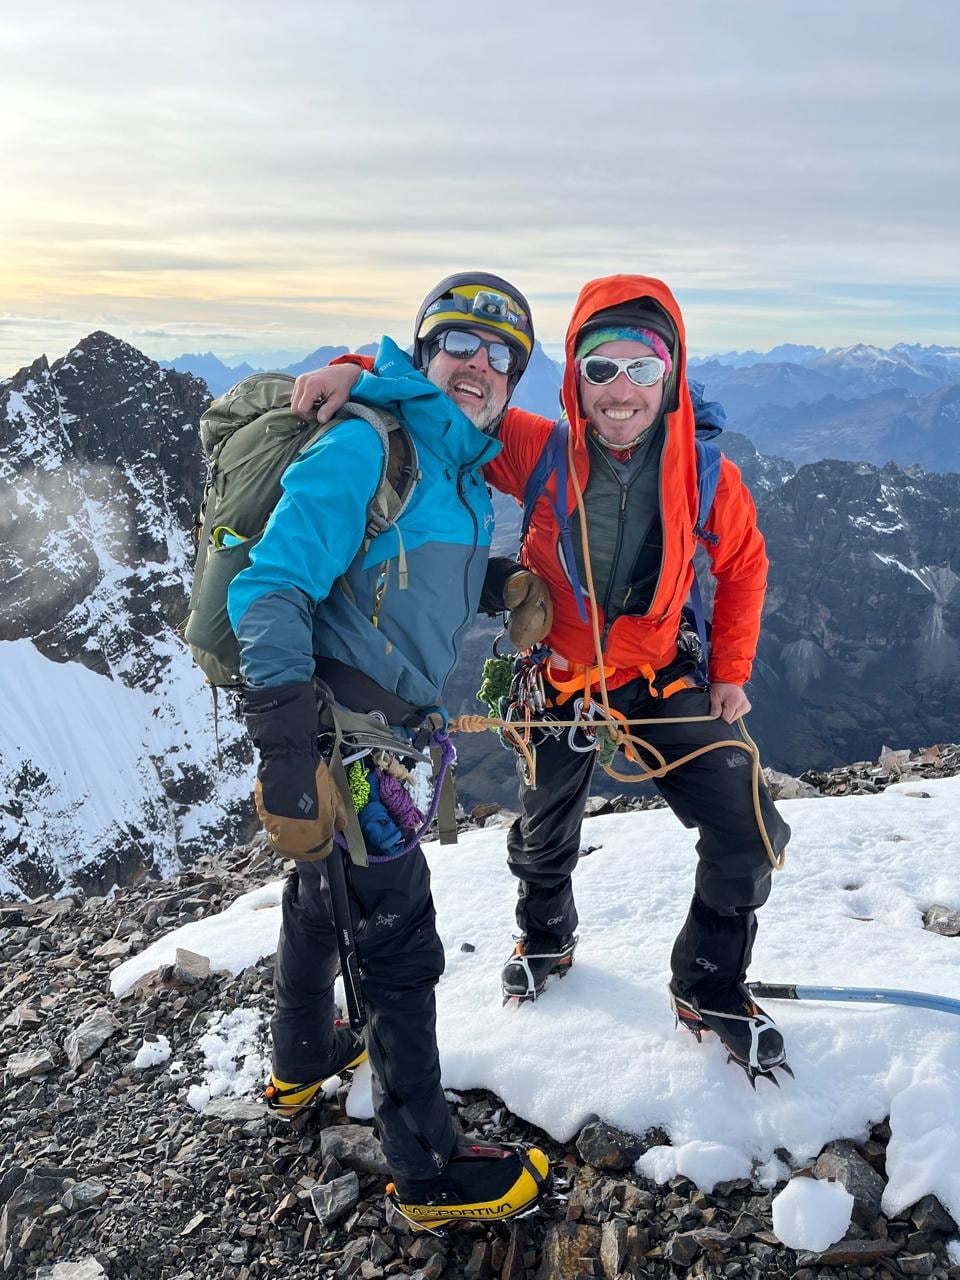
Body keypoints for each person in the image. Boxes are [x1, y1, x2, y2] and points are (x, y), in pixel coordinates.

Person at [291, 273, 792, 1084]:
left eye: (642, 367)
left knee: (750, 823)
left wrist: (730, 673)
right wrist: (356, 370)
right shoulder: (542, 450)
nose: (620, 389)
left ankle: (709, 982)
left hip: (658, 674)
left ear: (670, 375)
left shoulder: (706, 477)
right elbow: (442, 410)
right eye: (600, 369)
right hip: (558, 674)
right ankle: (546, 934)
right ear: (574, 378)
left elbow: (744, 565)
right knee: (547, 825)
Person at [229, 272, 552, 1230]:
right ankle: (429, 1170)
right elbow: (271, 588)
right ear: (423, 352)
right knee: (399, 941)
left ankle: (300, 1064)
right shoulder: (370, 442)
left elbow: (395, 570)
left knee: (318, 899)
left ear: (513, 379)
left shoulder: (453, 470)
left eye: (501, 356)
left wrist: (496, 587)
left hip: (370, 727)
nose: (479, 365)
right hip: (341, 738)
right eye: (459, 342)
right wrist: (289, 755)